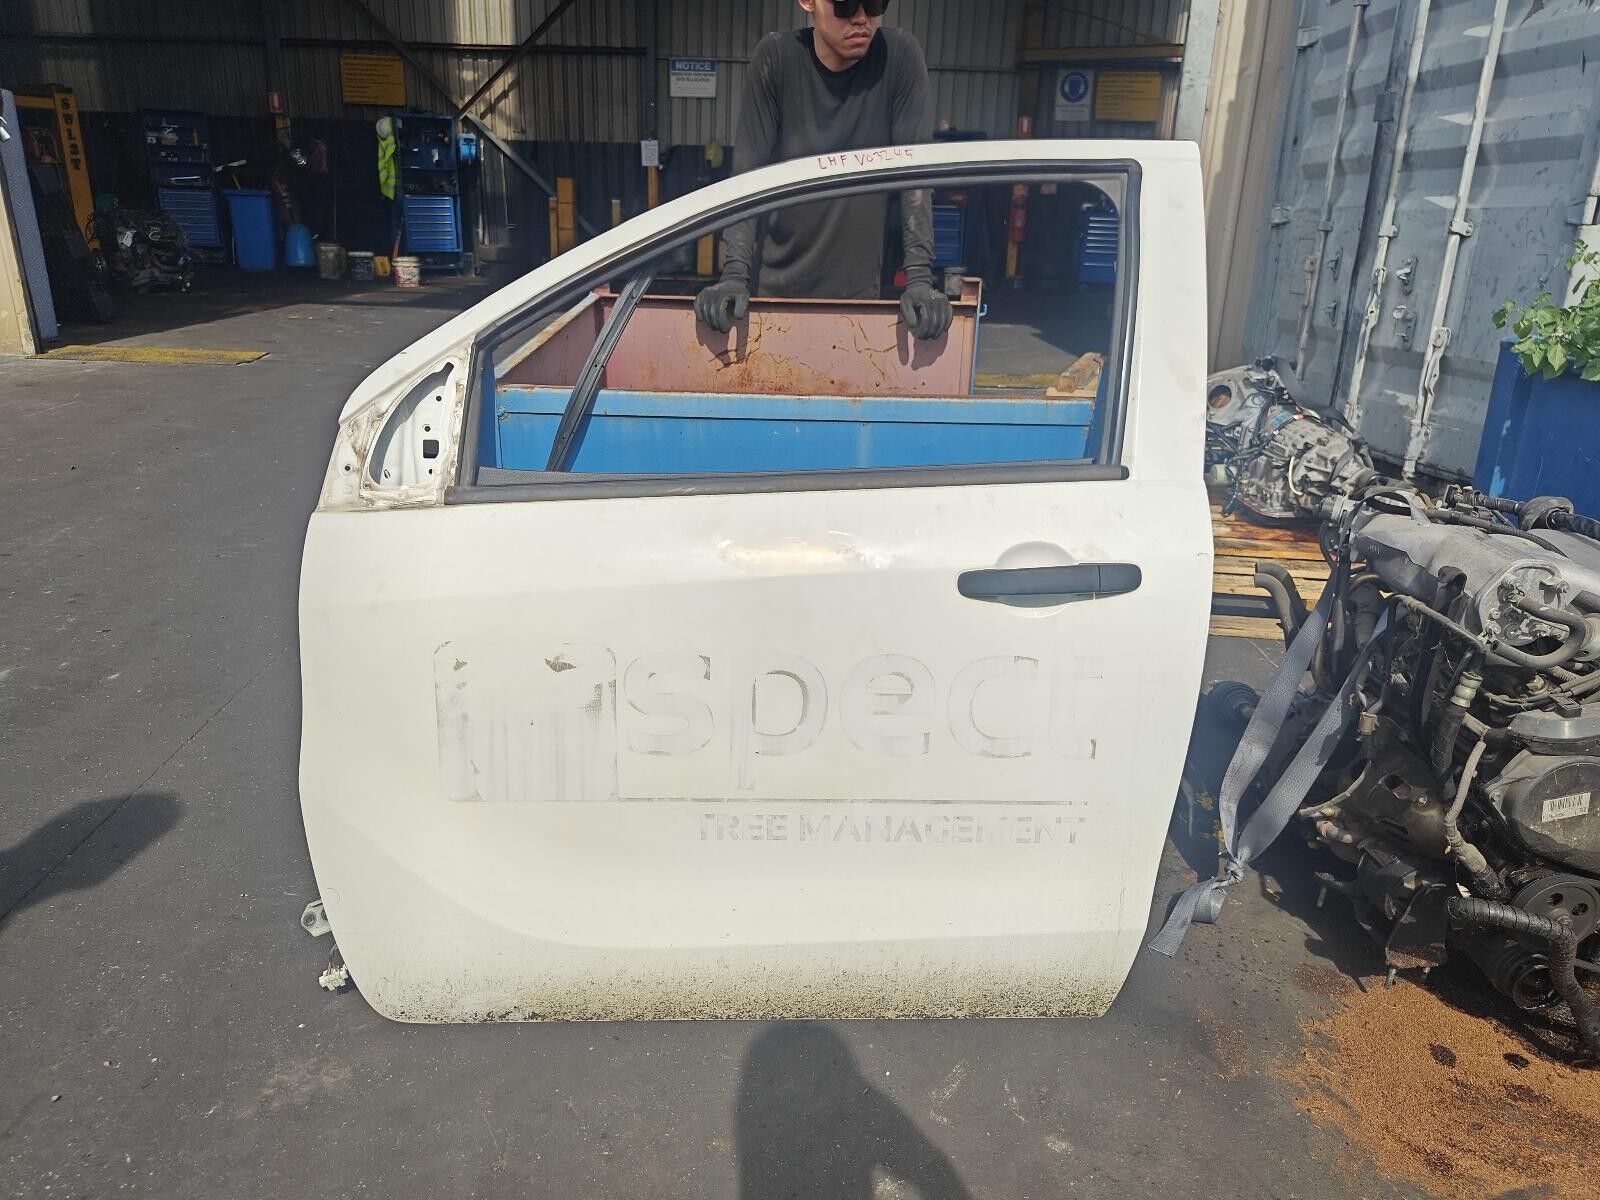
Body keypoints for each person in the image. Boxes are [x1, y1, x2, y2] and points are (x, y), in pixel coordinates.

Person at [694, 0, 953, 342]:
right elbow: (747, 178)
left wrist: (919, 277)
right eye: (844, 4)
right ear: (808, 2)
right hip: (775, 301)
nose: (861, 18)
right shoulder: (777, 59)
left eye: (874, 3)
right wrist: (734, 274)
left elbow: (915, 177)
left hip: (859, 305)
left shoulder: (898, 57)